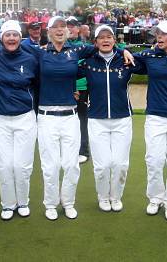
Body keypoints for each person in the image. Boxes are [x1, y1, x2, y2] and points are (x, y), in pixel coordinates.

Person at [23, 16, 132, 220]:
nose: (59, 30)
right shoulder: (38, 52)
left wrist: (124, 50)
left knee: (71, 164)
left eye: (62, 26)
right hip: (46, 116)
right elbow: (8, 48)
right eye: (55, 27)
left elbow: (105, 47)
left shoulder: (77, 50)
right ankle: (51, 204)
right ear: (48, 31)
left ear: (67, 30)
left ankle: (68, 202)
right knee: (51, 165)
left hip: (71, 115)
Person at [131, 20, 167, 222]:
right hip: (155, 116)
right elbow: (129, 58)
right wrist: (125, 52)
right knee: (154, 161)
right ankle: (156, 198)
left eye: (164, 34)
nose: (159, 37)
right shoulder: (148, 55)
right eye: (158, 34)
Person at [0, 20, 39, 221]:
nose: (12, 38)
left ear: (20, 37)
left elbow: (41, 84)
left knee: (22, 165)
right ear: (1, 38)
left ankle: (23, 201)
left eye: (15, 35)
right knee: (5, 165)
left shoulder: (31, 59)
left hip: (25, 118)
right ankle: (8, 204)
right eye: (8, 35)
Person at [78, 25, 137, 212]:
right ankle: (103, 197)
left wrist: (124, 50)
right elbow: (66, 68)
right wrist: (76, 89)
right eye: (101, 37)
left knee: (120, 164)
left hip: (122, 119)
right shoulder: (88, 62)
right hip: (97, 119)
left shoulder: (126, 60)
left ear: (114, 40)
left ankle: (116, 196)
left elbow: (149, 58)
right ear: (95, 42)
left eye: (109, 37)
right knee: (102, 165)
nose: (105, 40)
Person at [67, 16, 90, 164]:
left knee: (82, 120)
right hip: (65, 88)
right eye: (67, 26)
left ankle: (83, 150)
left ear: (78, 28)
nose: (70, 28)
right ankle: (70, 150)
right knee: (68, 121)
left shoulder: (84, 46)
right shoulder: (59, 45)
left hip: (82, 88)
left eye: (73, 26)